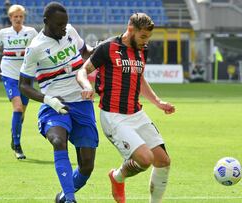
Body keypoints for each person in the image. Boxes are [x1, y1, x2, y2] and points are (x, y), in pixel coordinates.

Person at [77, 13, 175, 203]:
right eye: (143, 37)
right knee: (145, 160)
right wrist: (87, 86)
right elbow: (83, 71)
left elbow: (139, 78)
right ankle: (117, 177)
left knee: (163, 161)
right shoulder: (107, 47)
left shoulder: (142, 49)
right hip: (114, 117)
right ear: (131, 30)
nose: (145, 42)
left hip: (136, 113)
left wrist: (158, 102)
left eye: (148, 38)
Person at [19, 2, 98, 203]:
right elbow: (24, 85)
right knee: (57, 140)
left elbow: (85, 53)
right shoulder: (35, 48)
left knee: (87, 165)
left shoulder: (69, 31)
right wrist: (49, 100)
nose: (64, 29)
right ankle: (70, 200)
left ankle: (62, 197)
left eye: (65, 24)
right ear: (46, 22)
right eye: (59, 25)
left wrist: (98, 51)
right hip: (55, 106)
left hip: (81, 101)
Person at [0, 4, 38, 159]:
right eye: (15, 17)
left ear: (23, 17)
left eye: (20, 16)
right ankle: (17, 146)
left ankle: (14, 134)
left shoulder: (31, 32)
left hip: (26, 75)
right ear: (10, 18)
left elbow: (40, 49)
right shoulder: (3, 33)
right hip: (9, 74)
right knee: (17, 108)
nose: (18, 19)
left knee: (22, 112)